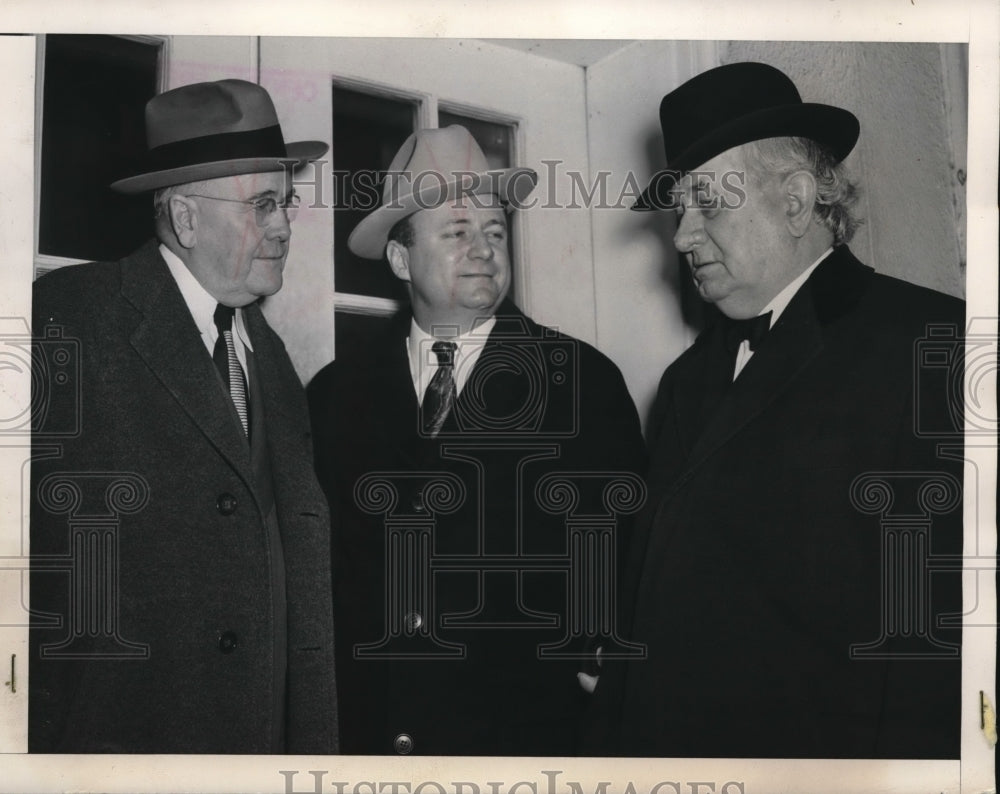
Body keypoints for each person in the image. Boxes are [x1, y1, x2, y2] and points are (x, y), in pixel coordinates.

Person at [584, 62, 965, 759]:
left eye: (707, 201)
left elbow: (944, 653)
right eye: (678, 208)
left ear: (794, 201)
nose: (682, 236)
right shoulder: (684, 382)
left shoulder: (932, 344)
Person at [307, 125, 646, 756]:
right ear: (401, 258)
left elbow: (629, 567)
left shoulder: (582, 383)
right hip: (370, 745)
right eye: (458, 232)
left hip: (522, 749)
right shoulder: (332, 395)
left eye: (495, 231)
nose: (485, 248)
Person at [30, 79, 338, 754]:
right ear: (187, 219)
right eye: (263, 204)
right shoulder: (67, 319)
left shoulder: (275, 362)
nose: (286, 225)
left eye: (285, 201)